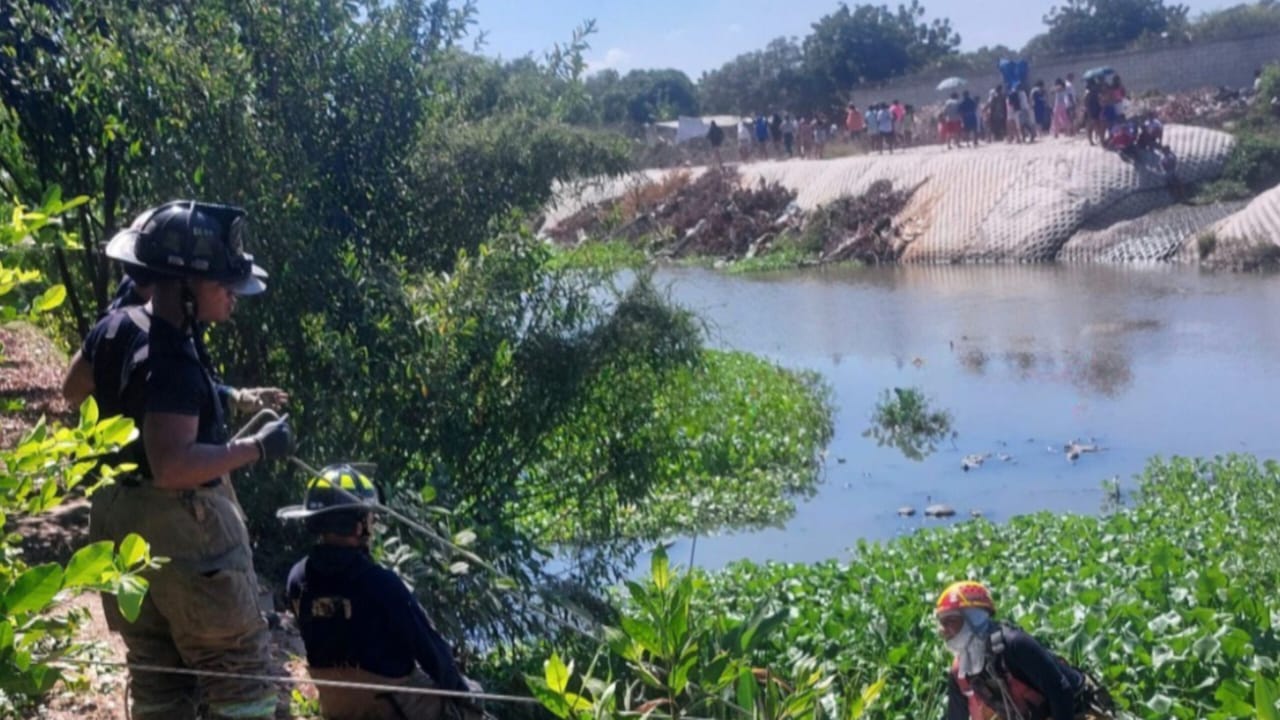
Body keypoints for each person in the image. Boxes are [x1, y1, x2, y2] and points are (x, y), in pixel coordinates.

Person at [91, 200, 295, 720]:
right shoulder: (174, 361)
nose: (233, 294)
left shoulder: (123, 332)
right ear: (183, 287)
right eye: (224, 284)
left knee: (160, 680)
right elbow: (174, 464)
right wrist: (258, 448)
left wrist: (233, 399)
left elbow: (76, 388)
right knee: (241, 677)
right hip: (189, 538)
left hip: (122, 528)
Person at [280, 465, 487, 720]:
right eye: (369, 517)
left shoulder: (296, 578)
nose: (373, 522)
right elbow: (430, 650)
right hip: (391, 705)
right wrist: (464, 693)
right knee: (471, 697)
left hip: (337, 705)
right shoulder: (380, 582)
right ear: (358, 527)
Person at [935, 581, 1116, 720]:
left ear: (973, 618)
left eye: (950, 621)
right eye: (941, 623)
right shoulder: (960, 671)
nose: (942, 630)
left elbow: (1060, 691)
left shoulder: (1014, 644)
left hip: (1074, 711)